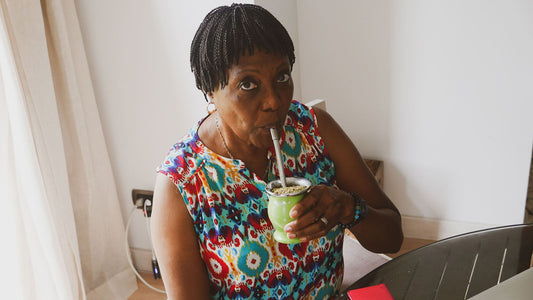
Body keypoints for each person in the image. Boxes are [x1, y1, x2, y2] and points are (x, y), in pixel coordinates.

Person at [151, 3, 403, 299]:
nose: (274, 101)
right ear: (210, 90)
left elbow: (393, 236)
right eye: (248, 84)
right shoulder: (183, 183)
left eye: (282, 77)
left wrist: (349, 209)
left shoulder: (314, 130)